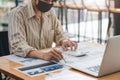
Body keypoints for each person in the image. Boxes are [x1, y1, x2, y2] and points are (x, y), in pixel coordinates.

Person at [8, 0, 78, 62]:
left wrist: (64, 41)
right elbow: (17, 45)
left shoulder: (50, 13)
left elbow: (59, 33)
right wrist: (43, 55)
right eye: (46, 0)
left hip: (45, 64)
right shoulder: (17, 14)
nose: (50, 3)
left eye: (53, 1)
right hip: (20, 66)